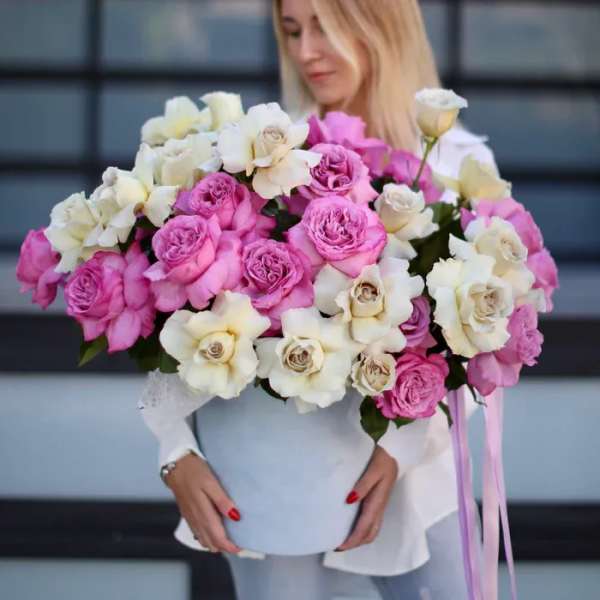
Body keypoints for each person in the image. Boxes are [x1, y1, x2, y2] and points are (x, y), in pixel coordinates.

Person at [139, 0, 497, 598]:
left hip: (416, 481)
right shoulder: (267, 153)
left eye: (326, 28)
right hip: (273, 472)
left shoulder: (458, 163)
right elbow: (185, 316)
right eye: (292, 30)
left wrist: (400, 447)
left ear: (379, 25)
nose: (305, 51)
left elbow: (481, 341)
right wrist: (175, 452)